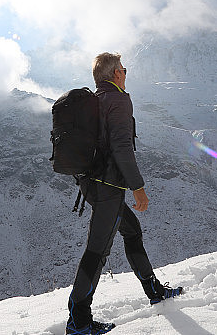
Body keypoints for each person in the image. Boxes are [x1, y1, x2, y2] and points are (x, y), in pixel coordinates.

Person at [65, 52, 182, 335]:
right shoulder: (118, 100)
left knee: (131, 230)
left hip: (90, 184)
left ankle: (154, 290)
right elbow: (121, 148)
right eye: (124, 69)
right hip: (108, 188)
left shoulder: (95, 100)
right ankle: (78, 322)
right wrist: (138, 188)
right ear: (116, 74)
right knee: (97, 250)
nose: (126, 73)